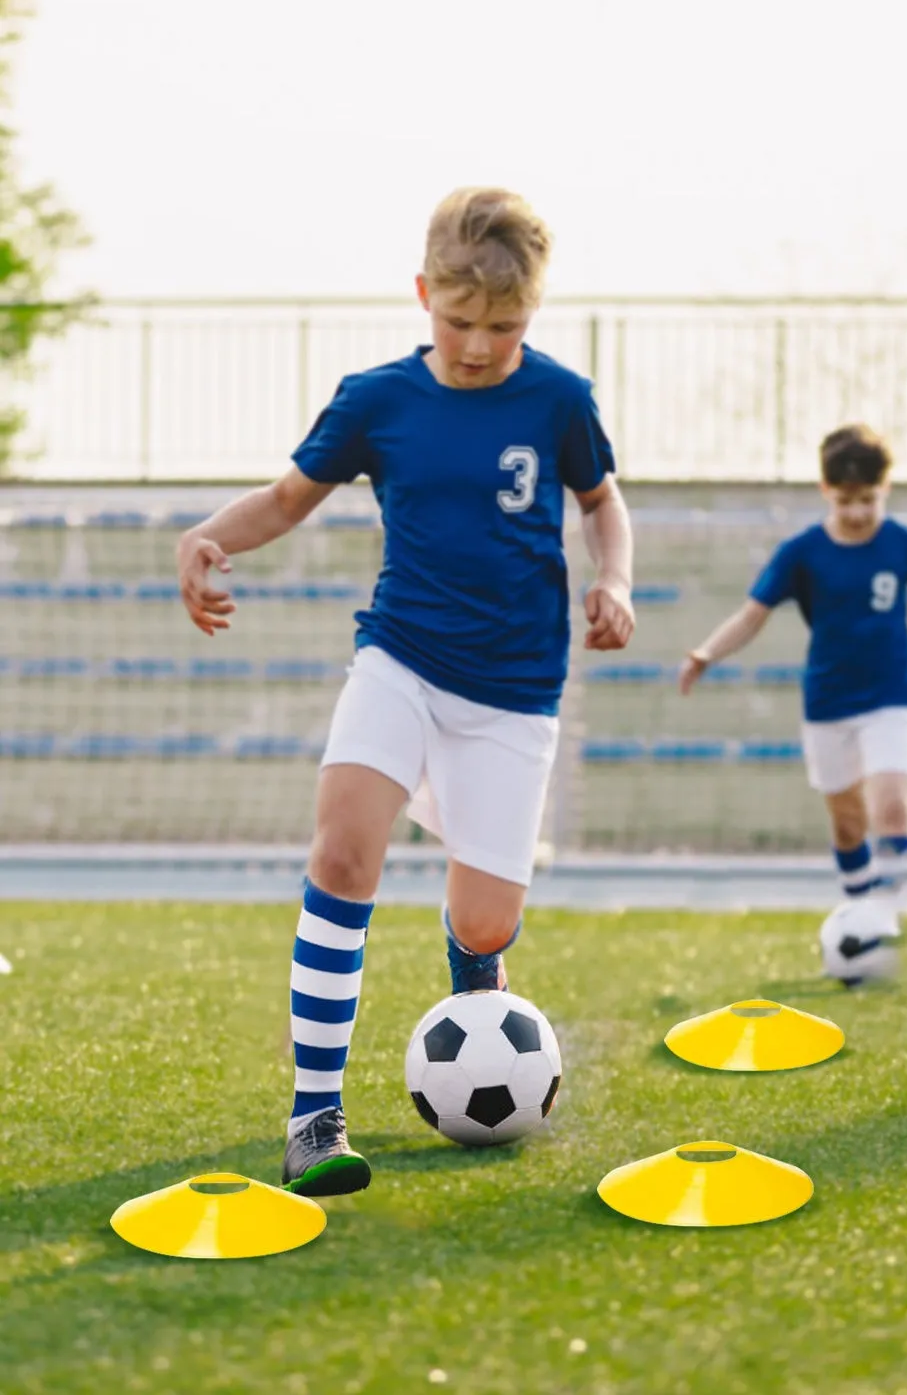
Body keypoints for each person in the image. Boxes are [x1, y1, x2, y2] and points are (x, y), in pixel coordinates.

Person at [175, 188, 634, 1196]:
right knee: (343, 849)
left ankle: (475, 970)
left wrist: (615, 579)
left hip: (515, 694)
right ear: (425, 294)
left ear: (533, 314)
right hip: (400, 660)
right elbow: (288, 499)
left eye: (504, 327)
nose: (478, 345)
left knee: (483, 921)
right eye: (459, 321)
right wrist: (209, 536)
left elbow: (603, 504)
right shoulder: (377, 399)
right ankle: (314, 1116)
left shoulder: (557, 400)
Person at [678, 423, 907, 934]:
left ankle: (882, 923)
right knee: (849, 823)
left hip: (892, 696)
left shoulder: (904, 544)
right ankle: (859, 912)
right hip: (829, 702)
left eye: (869, 500)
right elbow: (752, 615)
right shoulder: (802, 552)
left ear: (887, 489)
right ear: (826, 491)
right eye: (847, 500)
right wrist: (706, 652)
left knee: (892, 806)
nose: (857, 513)